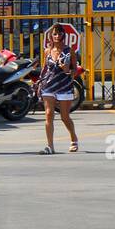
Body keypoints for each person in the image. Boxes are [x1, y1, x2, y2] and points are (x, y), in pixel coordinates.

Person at [38, 25, 80, 154]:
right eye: (54, 34)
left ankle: (73, 138)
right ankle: (50, 146)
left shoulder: (69, 51)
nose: (57, 36)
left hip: (64, 85)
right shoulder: (47, 51)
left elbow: (75, 70)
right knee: (49, 113)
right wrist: (40, 82)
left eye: (59, 34)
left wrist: (67, 70)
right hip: (49, 85)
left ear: (63, 35)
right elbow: (45, 68)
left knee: (64, 116)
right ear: (51, 36)